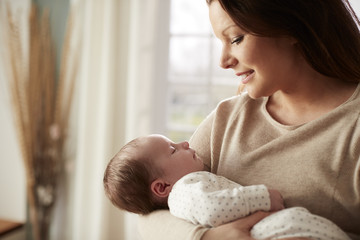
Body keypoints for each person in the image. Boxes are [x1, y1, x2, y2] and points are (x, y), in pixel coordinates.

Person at [137, 0, 360, 239]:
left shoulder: (352, 126)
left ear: (292, 27)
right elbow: (152, 215)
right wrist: (207, 237)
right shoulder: (228, 119)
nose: (223, 61)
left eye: (235, 39)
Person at [103, 134, 351, 240]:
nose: (186, 142)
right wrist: (262, 197)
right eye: (172, 149)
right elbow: (214, 208)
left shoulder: (187, 181)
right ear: (161, 187)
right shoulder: (185, 189)